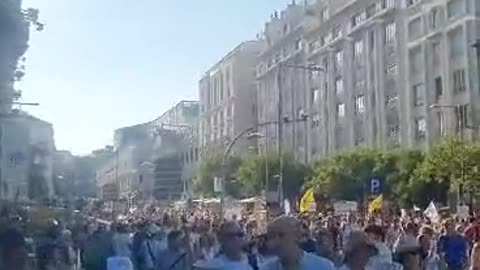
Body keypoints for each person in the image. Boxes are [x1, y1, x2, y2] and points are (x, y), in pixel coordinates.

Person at [260, 215, 335, 270]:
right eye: (272, 236)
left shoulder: (323, 266)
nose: (276, 241)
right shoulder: (265, 268)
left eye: (281, 235)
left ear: (297, 236)